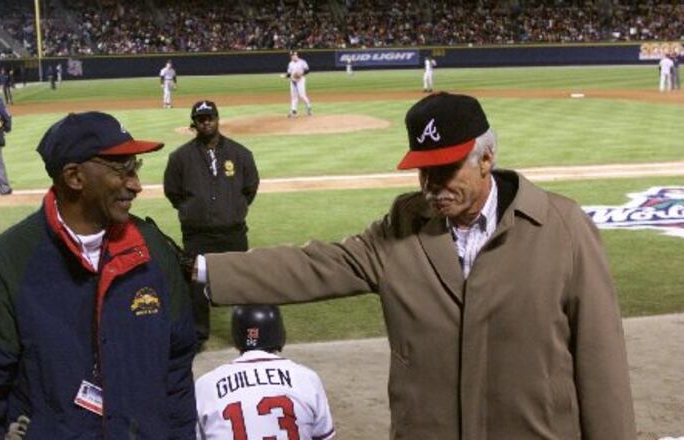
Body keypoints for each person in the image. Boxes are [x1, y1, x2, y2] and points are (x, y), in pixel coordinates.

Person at [196, 92, 636, 439]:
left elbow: (603, 364)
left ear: (487, 159)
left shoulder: (562, 228)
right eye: (424, 170)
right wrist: (198, 270)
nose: (433, 185)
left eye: (446, 168)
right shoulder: (402, 229)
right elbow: (314, 265)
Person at [0, 111, 198, 438]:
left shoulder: (153, 251)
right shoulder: (5, 265)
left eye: (136, 168)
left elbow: (177, 374)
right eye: (122, 169)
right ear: (75, 177)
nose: (136, 184)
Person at [164, 100, 259, 351]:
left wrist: (233, 209)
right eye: (201, 119)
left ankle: (247, 334)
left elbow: (250, 188)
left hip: (233, 232)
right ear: (193, 124)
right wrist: (192, 211)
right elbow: (172, 192)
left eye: (210, 117)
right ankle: (198, 336)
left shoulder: (240, 154)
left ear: (218, 119)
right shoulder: (180, 157)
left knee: (240, 282)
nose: (206, 122)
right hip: (198, 234)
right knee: (196, 285)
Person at [195, 305, 336, 440]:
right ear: (278, 333)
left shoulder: (205, 385)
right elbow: (322, 436)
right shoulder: (307, 378)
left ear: (237, 334)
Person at [286, 51, 312, 117]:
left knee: (302, 95)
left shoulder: (302, 62)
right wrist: (286, 76)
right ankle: (294, 111)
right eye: (291, 56)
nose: (293, 56)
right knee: (294, 97)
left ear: (297, 55)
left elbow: (307, 70)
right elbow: (289, 74)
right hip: (293, 81)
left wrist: (301, 74)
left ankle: (309, 108)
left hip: (300, 81)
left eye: (294, 55)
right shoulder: (290, 64)